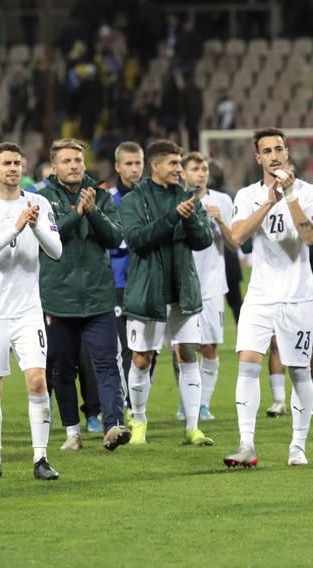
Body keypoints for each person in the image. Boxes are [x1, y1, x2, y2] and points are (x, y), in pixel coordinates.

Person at [223, 128, 313, 469]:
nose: (274, 155)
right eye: (267, 151)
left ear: (287, 151)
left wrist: (290, 194)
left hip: (298, 297)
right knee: (248, 363)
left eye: (278, 148)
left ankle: (298, 445)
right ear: (258, 158)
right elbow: (236, 237)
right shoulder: (248, 194)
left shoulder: (308, 192)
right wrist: (269, 201)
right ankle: (246, 444)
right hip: (261, 296)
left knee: (298, 371)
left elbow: (309, 237)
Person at [0, 142, 63, 481]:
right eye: (6, 163)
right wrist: (16, 228)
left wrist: (34, 226)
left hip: (27, 312)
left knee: (37, 380)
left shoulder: (39, 203)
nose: (13, 168)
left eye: (18, 163)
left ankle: (41, 459)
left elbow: (56, 251)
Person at [118, 139, 214, 446]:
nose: (178, 168)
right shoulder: (135, 200)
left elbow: (204, 240)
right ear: (155, 166)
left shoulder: (188, 196)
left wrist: (190, 217)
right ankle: (140, 422)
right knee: (142, 358)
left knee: (187, 355)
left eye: (179, 163)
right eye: (173, 163)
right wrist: (173, 216)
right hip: (148, 291)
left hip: (183, 290)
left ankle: (193, 427)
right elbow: (136, 240)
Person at [38, 139, 131, 453]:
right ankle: (72, 432)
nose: (74, 165)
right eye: (66, 161)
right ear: (55, 166)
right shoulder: (41, 198)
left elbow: (115, 237)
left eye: (78, 160)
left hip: (97, 296)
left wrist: (92, 213)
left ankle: (114, 425)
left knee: (106, 365)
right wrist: (79, 214)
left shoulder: (100, 195)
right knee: (62, 368)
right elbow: (47, 236)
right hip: (59, 298)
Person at [264, 216, 313, 418]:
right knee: (275, 343)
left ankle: (307, 401)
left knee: (306, 349)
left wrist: (302, 251)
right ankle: (278, 401)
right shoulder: (270, 214)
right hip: (274, 290)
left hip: (306, 293)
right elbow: (246, 246)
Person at [182, 151, 239, 422]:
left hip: (213, 285)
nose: (201, 173)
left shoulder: (222, 201)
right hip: (183, 285)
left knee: (209, 347)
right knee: (183, 348)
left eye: (204, 168)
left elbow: (234, 244)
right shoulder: (177, 200)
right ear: (184, 173)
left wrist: (220, 220)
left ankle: (203, 404)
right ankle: (188, 400)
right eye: (195, 168)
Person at [108, 141, 144, 416]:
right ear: (118, 166)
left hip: (145, 284)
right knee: (123, 350)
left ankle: (136, 403)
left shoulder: (149, 198)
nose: (134, 169)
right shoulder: (107, 200)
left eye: (138, 163)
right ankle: (127, 406)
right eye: (129, 164)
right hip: (117, 285)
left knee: (146, 350)